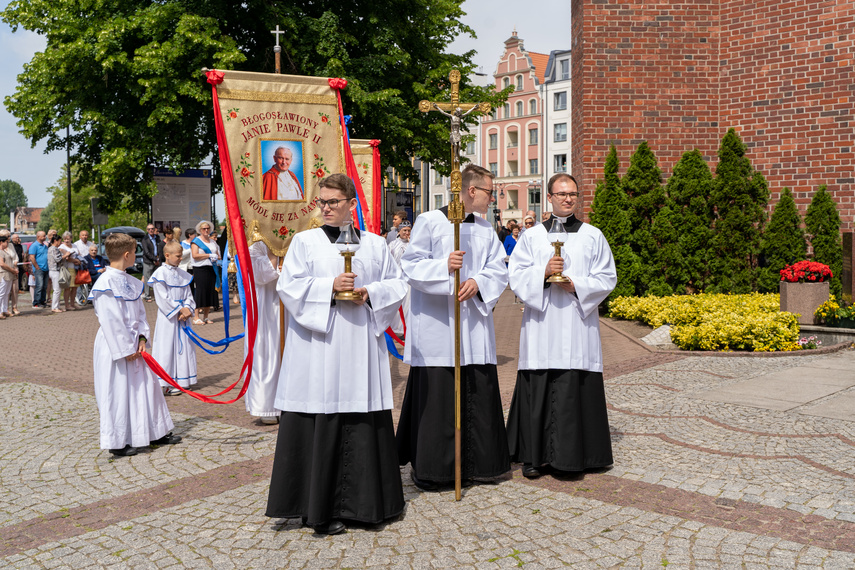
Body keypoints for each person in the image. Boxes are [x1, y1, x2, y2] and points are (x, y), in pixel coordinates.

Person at [266, 173, 406, 535]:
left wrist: (370, 291)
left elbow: (397, 283)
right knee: (323, 412)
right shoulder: (304, 242)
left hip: (360, 344)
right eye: (322, 202)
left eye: (333, 202)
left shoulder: (374, 245)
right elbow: (289, 286)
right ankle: (318, 508)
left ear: (351, 205)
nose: (326, 208)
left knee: (361, 416)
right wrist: (329, 285)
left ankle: (368, 504)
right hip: (320, 350)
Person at [396, 164, 511, 491]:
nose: (492, 198)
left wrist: (477, 281)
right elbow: (411, 266)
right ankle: (436, 471)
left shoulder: (486, 229)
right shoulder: (430, 221)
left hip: (473, 326)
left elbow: (498, 269)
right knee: (439, 401)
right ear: (472, 191)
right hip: (438, 328)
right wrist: (445, 269)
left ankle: (480, 465)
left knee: (477, 393)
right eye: (490, 192)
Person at [507, 173, 617, 478]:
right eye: (561, 193)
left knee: (575, 383)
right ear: (550, 197)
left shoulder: (593, 235)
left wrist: (576, 285)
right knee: (540, 384)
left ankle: (580, 456)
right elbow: (515, 276)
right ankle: (534, 457)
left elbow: (607, 277)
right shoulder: (531, 237)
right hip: (542, 324)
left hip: (577, 324)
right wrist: (542, 273)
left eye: (572, 194)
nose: (567, 199)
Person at [89, 232, 182, 457]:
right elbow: (110, 319)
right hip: (116, 347)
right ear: (128, 254)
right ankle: (118, 440)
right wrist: (125, 347)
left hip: (135, 344)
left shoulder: (131, 281)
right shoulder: (105, 283)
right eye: (135, 253)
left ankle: (155, 431)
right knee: (118, 390)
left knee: (147, 388)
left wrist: (141, 338)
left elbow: (140, 314)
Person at [150, 240, 197, 397]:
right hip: (168, 319)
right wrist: (179, 310)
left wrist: (188, 309)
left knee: (184, 348)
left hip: (183, 318)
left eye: (181, 255)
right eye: (178, 256)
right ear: (167, 255)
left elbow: (189, 295)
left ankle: (183, 381)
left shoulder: (183, 274)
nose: (180, 259)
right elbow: (162, 298)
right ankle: (166, 383)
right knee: (167, 348)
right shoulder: (159, 274)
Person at [245, 240, 282, 425]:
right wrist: (276, 251)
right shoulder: (255, 244)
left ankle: (290, 404)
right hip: (266, 305)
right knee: (266, 350)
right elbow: (260, 275)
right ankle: (266, 405)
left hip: (290, 303)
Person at [190, 220, 220, 324]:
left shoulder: (213, 242)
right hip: (200, 269)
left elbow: (217, 255)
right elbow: (195, 255)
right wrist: (208, 255)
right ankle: (196, 317)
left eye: (208, 228)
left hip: (211, 269)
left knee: (210, 292)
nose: (206, 230)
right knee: (200, 292)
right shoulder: (196, 241)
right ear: (200, 230)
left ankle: (206, 317)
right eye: (204, 229)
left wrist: (216, 257)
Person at [59, 231, 82, 310]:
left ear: (71, 239)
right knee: (68, 287)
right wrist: (76, 261)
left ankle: (72, 303)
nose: (66, 240)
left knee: (75, 287)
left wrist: (79, 261)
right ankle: (67, 305)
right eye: (65, 239)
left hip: (76, 269)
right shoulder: (62, 247)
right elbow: (67, 258)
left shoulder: (74, 246)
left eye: (68, 239)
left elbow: (79, 254)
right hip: (67, 269)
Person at [141, 224, 163, 302]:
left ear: (154, 229)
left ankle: (157, 295)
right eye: (149, 229)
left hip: (156, 261)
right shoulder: (145, 239)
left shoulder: (157, 238)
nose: (151, 230)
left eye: (152, 229)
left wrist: (158, 259)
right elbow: (146, 252)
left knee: (157, 278)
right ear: (147, 230)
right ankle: (147, 295)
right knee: (147, 278)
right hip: (148, 261)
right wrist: (155, 259)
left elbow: (160, 248)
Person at [29, 230, 49, 308]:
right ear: (38, 237)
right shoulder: (34, 246)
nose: (45, 237)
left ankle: (42, 301)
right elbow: (32, 257)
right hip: (39, 269)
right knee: (39, 286)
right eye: (43, 236)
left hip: (46, 268)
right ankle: (36, 302)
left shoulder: (45, 246)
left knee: (44, 286)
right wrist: (37, 267)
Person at [0, 234, 17, 319]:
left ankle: (4, 310)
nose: (7, 243)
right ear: (1, 242)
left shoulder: (5, 251)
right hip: (3, 274)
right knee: (2, 293)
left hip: (9, 275)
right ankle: (0, 312)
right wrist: (12, 270)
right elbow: (2, 264)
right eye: (6, 242)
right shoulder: (0, 252)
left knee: (6, 294)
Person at [47, 235, 64, 313]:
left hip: (52, 270)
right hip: (55, 270)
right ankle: (54, 307)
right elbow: (58, 259)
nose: (60, 243)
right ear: (56, 241)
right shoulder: (54, 249)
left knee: (57, 289)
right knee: (57, 290)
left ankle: (57, 306)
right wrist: (65, 255)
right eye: (60, 241)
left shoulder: (51, 248)